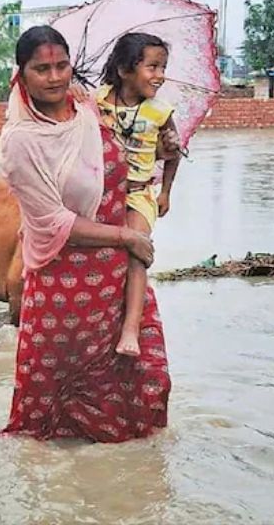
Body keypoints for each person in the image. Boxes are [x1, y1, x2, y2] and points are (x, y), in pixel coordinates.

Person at [0, 25, 170, 442]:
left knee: (147, 381)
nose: (55, 77)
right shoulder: (21, 142)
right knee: (51, 412)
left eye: (62, 65)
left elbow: (132, 163)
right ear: (21, 75)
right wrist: (127, 239)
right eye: (42, 69)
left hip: (116, 279)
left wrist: (163, 150)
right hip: (63, 290)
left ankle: (130, 489)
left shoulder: (90, 112)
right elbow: (51, 221)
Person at [95, 33, 182, 357]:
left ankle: (130, 328)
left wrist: (166, 192)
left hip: (138, 193)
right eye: (152, 67)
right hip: (101, 193)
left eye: (163, 67)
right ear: (124, 70)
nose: (160, 75)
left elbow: (174, 154)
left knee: (136, 247)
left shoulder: (161, 112)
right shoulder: (99, 101)